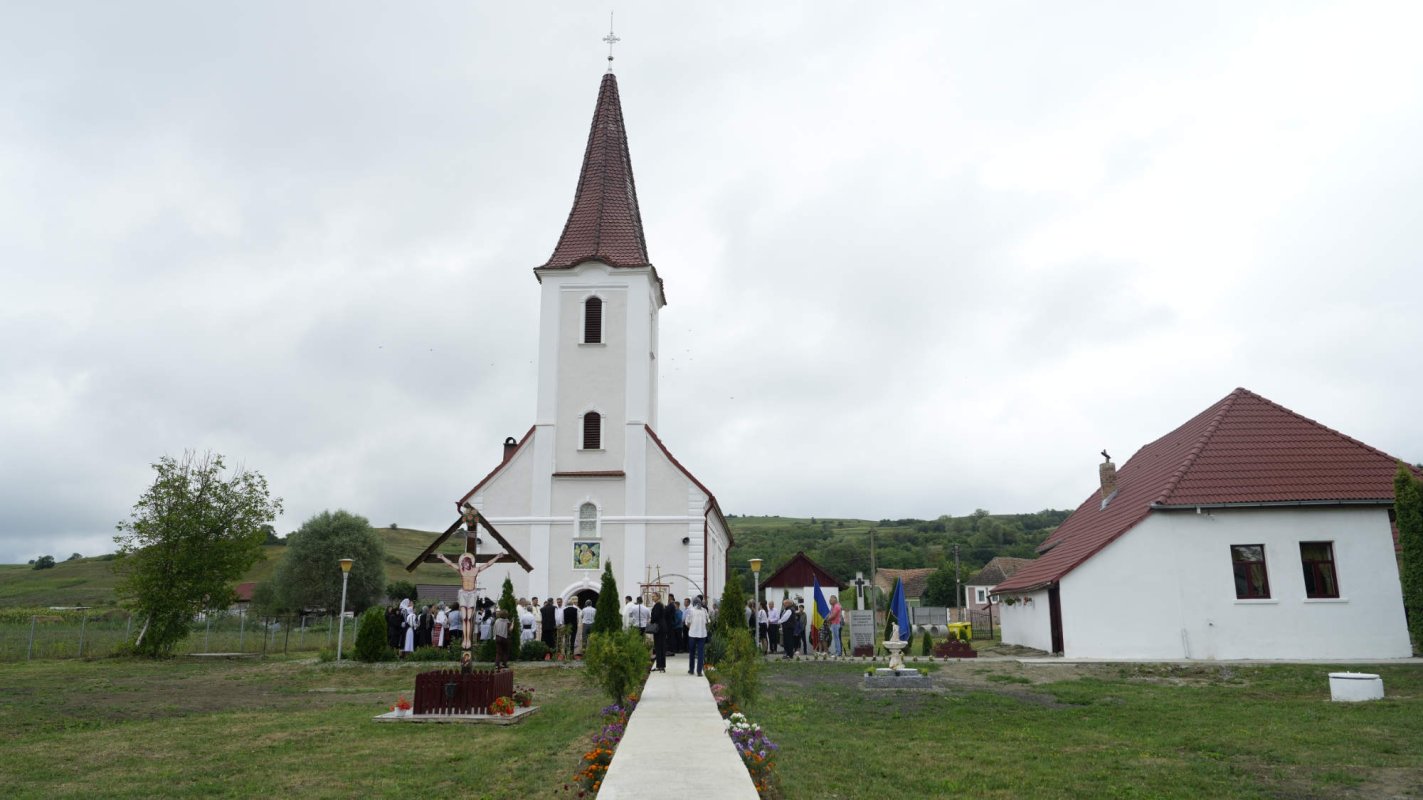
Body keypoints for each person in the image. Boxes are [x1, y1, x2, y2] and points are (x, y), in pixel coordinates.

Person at [434, 551, 498, 650]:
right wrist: (442, 557)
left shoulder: (475, 570)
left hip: (472, 594)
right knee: (464, 619)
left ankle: (468, 639)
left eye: (465, 563)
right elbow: (450, 564)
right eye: (463, 563)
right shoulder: (461, 570)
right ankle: (465, 639)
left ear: (470, 562)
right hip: (463, 594)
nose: (464, 564)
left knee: (469, 619)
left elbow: (488, 564)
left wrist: (497, 557)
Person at [686, 597, 710, 676]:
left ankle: (691, 670)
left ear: (693, 602)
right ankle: (699, 671)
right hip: (702, 634)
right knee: (700, 653)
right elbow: (708, 621)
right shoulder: (704, 610)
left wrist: (692, 627)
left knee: (692, 653)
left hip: (692, 634)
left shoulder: (691, 610)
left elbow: (687, 622)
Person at [649, 592, 668, 672]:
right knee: (661, 647)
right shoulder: (661, 605)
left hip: (659, 628)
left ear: (658, 597)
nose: (652, 598)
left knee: (658, 647)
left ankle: (660, 666)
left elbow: (655, 617)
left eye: (653, 596)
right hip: (662, 628)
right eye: (652, 596)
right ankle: (661, 666)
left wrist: (651, 620)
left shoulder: (657, 605)